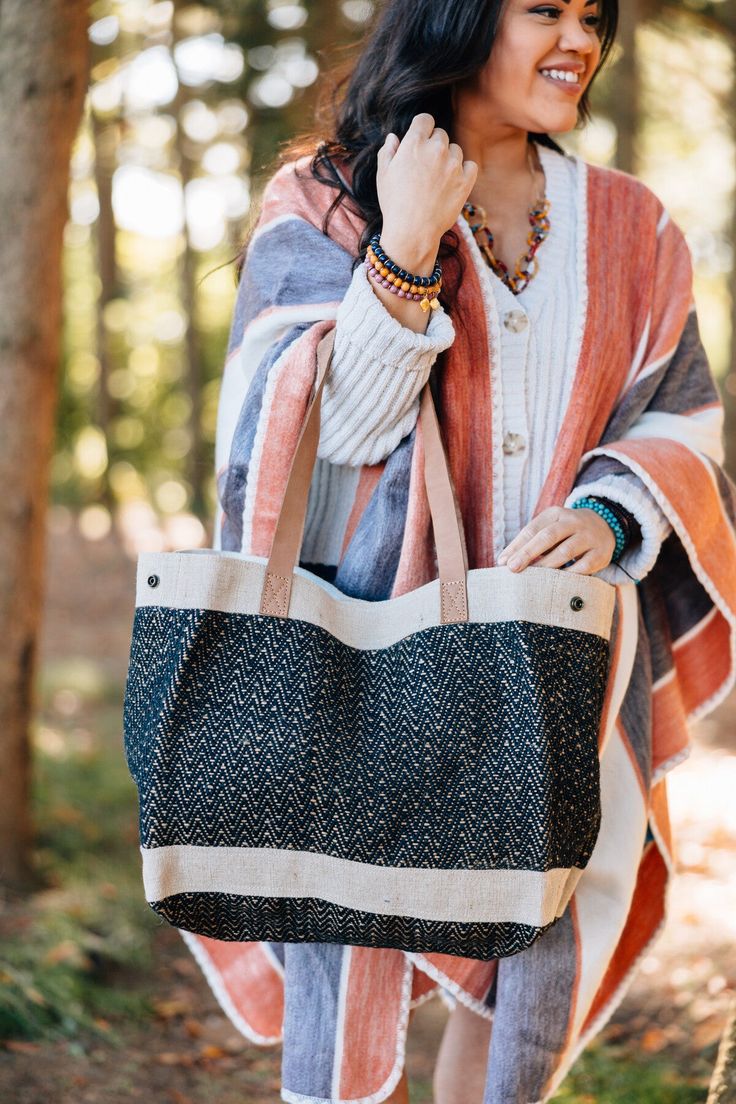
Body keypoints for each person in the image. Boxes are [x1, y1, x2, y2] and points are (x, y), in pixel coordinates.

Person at [179, 1, 736, 1101]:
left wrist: (615, 513)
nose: (577, 40)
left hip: (559, 664)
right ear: (459, 16)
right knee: (354, 935)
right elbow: (312, 435)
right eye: (544, 10)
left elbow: (682, 421)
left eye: (592, 15)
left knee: (531, 948)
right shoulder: (324, 198)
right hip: (366, 658)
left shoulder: (634, 225)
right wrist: (404, 243)